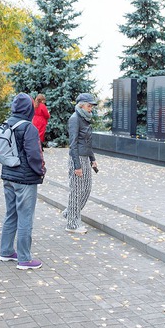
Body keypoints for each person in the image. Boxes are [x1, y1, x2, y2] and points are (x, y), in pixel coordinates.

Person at [0, 92, 46, 270]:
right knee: (25, 217)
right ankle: (25, 259)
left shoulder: (5, 124)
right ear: (28, 108)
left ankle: (6, 250)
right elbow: (34, 154)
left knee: (11, 213)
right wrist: (41, 171)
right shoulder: (28, 127)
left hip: (8, 175)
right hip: (25, 179)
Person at [65, 93, 99, 235]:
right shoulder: (75, 119)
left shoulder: (85, 119)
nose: (91, 108)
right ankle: (72, 224)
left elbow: (87, 142)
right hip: (77, 158)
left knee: (86, 189)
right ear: (81, 105)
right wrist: (77, 166)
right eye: (89, 105)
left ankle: (70, 212)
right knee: (76, 191)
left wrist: (92, 159)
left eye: (91, 106)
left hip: (85, 158)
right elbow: (73, 145)